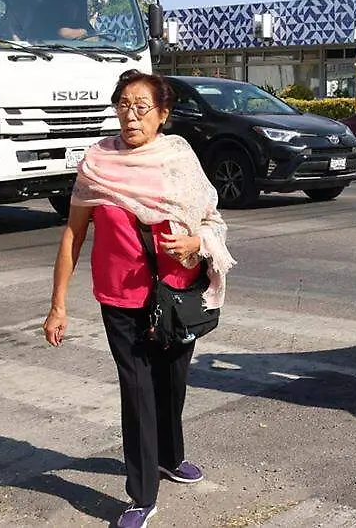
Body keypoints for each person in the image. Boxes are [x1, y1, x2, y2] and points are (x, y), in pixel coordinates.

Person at [42, 70, 235, 528]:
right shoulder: (97, 164)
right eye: (124, 105)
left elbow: (211, 218)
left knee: (173, 382)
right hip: (121, 299)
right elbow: (73, 234)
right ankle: (141, 494)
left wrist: (197, 245)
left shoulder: (178, 158)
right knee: (138, 391)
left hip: (177, 295)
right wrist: (58, 304)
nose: (131, 116)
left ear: (163, 115)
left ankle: (169, 456)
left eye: (142, 107)